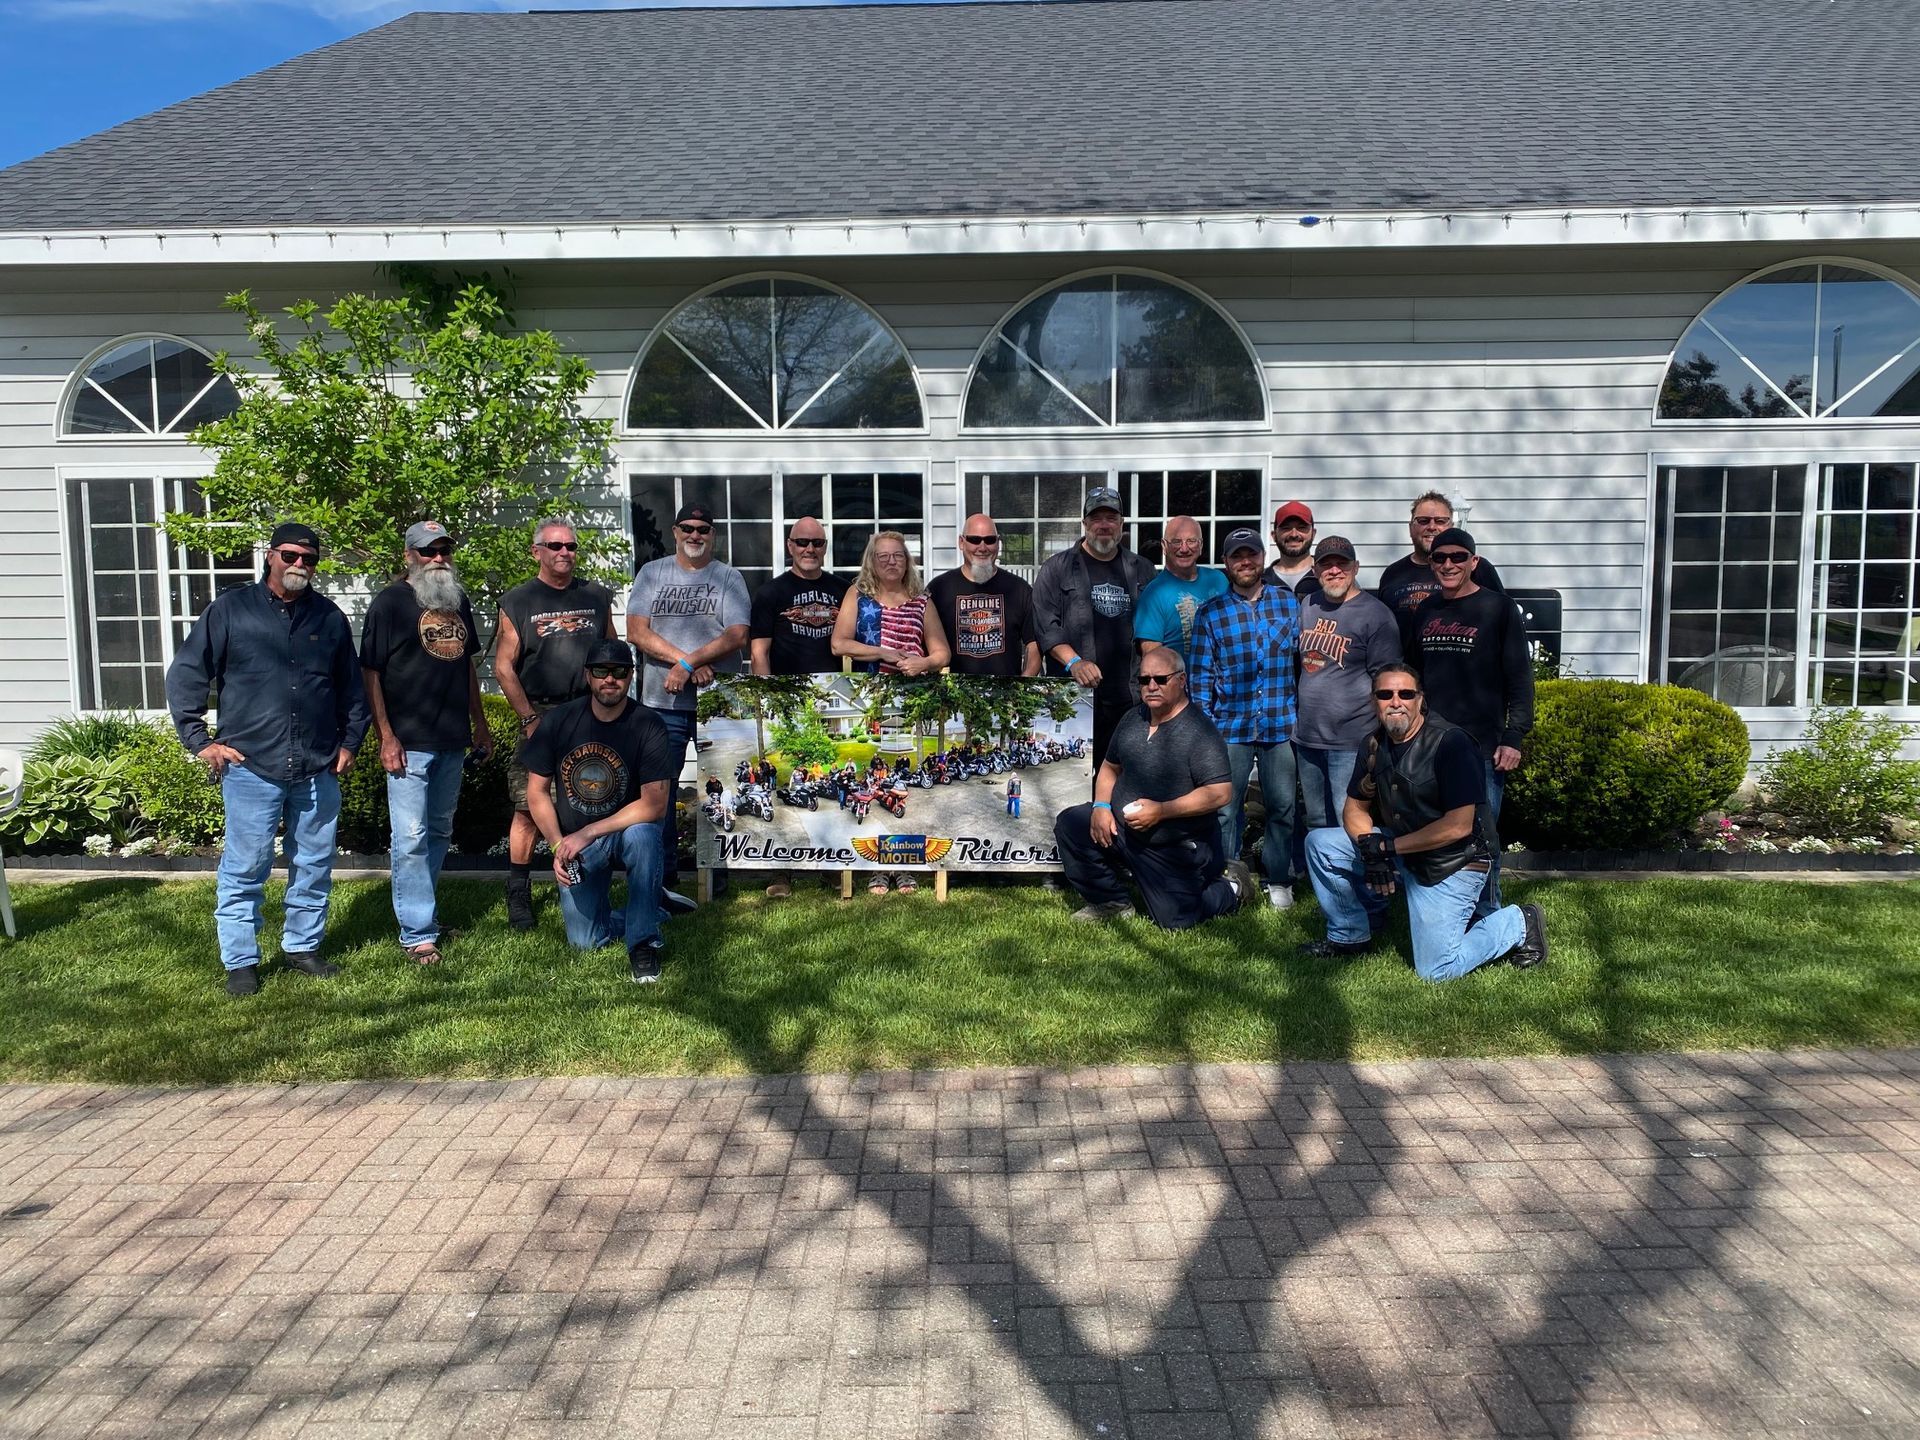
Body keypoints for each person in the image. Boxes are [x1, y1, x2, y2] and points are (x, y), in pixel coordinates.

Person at [165, 522, 369, 997]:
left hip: (318, 765)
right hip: (251, 765)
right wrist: (199, 741)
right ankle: (240, 961)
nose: (300, 565)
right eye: (291, 555)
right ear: (270, 556)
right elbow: (187, 675)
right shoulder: (231, 611)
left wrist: (349, 744)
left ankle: (302, 947)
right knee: (247, 865)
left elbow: (352, 691)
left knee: (315, 863)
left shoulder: (329, 618)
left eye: (309, 559)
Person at [1300, 664, 1546, 980]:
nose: (1396, 701)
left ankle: (1518, 921)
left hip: (1454, 862)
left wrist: (1385, 847)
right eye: (1385, 694)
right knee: (1321, 844)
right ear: (1374, 701)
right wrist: (1369, 848)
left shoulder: (1451, 743)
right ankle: (1349, 936)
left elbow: (1457, 826)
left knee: (1437, 970)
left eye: (1406, 694)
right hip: (1403, 848)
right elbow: (1355, 809)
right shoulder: (1373, 744)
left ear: (1420, 700)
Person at [360, 519, 492, 966]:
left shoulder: (456, 601)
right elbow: (371, 672)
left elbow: (467, 667)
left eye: (443, 550)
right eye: (427, 551)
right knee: (411, 837)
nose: (437, 558)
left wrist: (480, 723)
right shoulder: (389, 604)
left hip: (451, 738)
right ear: (408, 557)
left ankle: (426, 918)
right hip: (408, 743)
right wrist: (386, 736)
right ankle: (417, 933)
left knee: (436, 832)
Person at [1052, 648, 1252, 929]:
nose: (1151, 686)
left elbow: (1220, 793)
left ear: (1182, 680)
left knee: (1176, 919)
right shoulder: (1133, 718)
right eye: (1144, 680)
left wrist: (1161, 811)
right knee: (1072, 823)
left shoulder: (1200, 731)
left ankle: (1231, 887)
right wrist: (1100, 806)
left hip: (1175, 844)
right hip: (1122, 830)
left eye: (1160, 678)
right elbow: (1110, 767)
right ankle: (1111, 901)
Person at [520, 640, 679, 984]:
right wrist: (556, 845)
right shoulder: (560, 721)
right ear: (587, 676)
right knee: (586, 942)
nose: (611, 679)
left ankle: (643, 945)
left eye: (619, 672)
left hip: (623, 832)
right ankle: (651, 907)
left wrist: (588, 832)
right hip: (578, 845)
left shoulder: (648, 724)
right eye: (601, 672)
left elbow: (655, 804)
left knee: (645, 834)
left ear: (630, 676)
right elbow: (536, 791)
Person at [626, 502, 751, 912]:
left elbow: (737, 634)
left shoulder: (728, 577)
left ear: (712, 535)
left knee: (723, 789)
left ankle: (717, 877)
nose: (695, 535)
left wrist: (688, 663)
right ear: (675, 532)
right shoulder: (653, 573)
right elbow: (636, 632)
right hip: (662, 703)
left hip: (717, 702)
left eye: (703, 529)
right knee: (658, 793)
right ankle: (662, 883)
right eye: (688, 529)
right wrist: (685, 661)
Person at [494, 520, 616, 931]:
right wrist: (529, 718)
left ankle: (589, 882)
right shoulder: (518, 600)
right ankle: (519, 894)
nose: (564, 552)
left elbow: (611, 652)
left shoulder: (596, 597)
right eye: (555, 546)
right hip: (541, 714)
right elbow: (503, 667)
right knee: (528, 806)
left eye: (571, 547)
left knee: (594, 798)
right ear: (537, 552)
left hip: (590, 711)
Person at [1410, 527, 1534, 922]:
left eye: (1457, 557)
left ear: (1473, 562)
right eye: (1439, 557)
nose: (1448, 564)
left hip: (1481, 746)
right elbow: (1412, 676)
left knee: (1484, 839)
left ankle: (1489, 916)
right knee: (1434, 834)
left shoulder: (1498, 609)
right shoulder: (1425, 610)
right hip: (1430, 747)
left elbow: (1520, 678)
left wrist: (1513, 736)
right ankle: (1445, 913)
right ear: (1431, 563)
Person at [831, 531, 951, 895]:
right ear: (871, 559)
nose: (890, 561)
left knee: (906, 781)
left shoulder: (921, 600)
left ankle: (905, 865)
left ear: (907, 560)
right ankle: (874, 868)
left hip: (912, 703)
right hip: (871, 701)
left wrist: (924, 662)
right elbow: (839, 643)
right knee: (874, 780)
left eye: (897, 555)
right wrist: (883, 653)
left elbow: (942, 652)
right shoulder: (858, 595)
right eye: (882, 556)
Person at [1189, 527, 1301, 910]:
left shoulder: (1289, 605)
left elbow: (1305, 664)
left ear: (1261, 558)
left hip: (1279, 725)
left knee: (1282, 807)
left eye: (1251, 554)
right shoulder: (1211, 614)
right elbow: (1201, 678)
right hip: (1230, 729)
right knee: (1225, 809)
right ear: (1227, 564)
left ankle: (1278, 879)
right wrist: (1204, 732)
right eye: (1238, 556)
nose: (1246, 562)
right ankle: (1227, 877)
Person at [1033, 485, 1155, 773]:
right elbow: (1045, 626)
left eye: (1111, 518)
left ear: (1121, 525)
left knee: (1126, 784)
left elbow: (1155, 630)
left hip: (1130, 701)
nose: (1103, 525)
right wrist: (1074, 661)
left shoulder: (1143, 570)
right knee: (1075, 785)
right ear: (1085, 523)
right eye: (1096, 518)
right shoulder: (1056, 568)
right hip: (1076, 698)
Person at [1295, 536, 1403, 835]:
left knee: (1350, 820)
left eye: (1341, 564)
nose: (1334, 571)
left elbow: (1387, 680)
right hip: (1307, 738)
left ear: (1355, 568)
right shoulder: (1308, 604)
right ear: (1315, 570)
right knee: (1316, 820)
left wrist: (1384, 734)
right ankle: (1322, 880)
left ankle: (1355, 880)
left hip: (1351, 740)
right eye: (1326, 565)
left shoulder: (1376, 614)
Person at [1376, 491, 1506, 649]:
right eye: (1423, 521)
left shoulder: (1476, 568)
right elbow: (1381, 630)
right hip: (1405, 670)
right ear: (1411, 528)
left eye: (1440, 521)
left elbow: (1502, 623)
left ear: (1451, 526)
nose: (1431, 527)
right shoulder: (1393, 574)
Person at [927, 513, 1040, 677]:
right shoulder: (939, 589)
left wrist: (1023, 688)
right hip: (953, 697)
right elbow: (926, 647)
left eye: (990, 540)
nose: (982, 547)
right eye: (974, 540)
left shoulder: (1019, 589)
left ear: (998, 543)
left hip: (1007, 697)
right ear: (961, 542)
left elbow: (1034, 643)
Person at [750, 516, 850, 677]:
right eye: (802, 542)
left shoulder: (844, 591)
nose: (810, 549)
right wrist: (768, 696)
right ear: (790, 546)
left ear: (825, 547)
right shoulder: (769, 593)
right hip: (787, 690)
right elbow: (759, 654)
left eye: (817, 543)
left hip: (833, 688)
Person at [1135, 514, 1229, 664]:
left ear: (1201, 545)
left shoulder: (1218, 580)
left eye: (1191, 541)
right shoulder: (1154, 593)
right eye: (1176, 542)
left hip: (1224, 681)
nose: (1184, 548)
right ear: (1164, 546)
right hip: (1181, 684)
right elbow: (1153, 658)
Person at [1263, 500, 1322, 599]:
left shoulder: (1329, 576)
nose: (1294, 534)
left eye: (1302, 527)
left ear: (1313, 534)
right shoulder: (1262, 581)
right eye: (1286, 528)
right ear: (1274, 535)